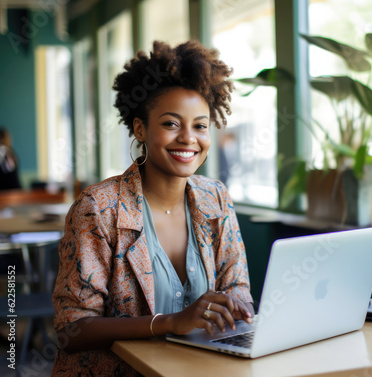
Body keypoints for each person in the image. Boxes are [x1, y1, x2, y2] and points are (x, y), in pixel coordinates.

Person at [52, 40, 254, 376]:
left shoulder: (216, 198)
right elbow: (71, 329)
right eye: (171, 124)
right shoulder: (99, 209)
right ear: (140, 128)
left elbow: (238, 291)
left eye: (200, 125)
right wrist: (170, 322)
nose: (189, 138)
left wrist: (238, 308)